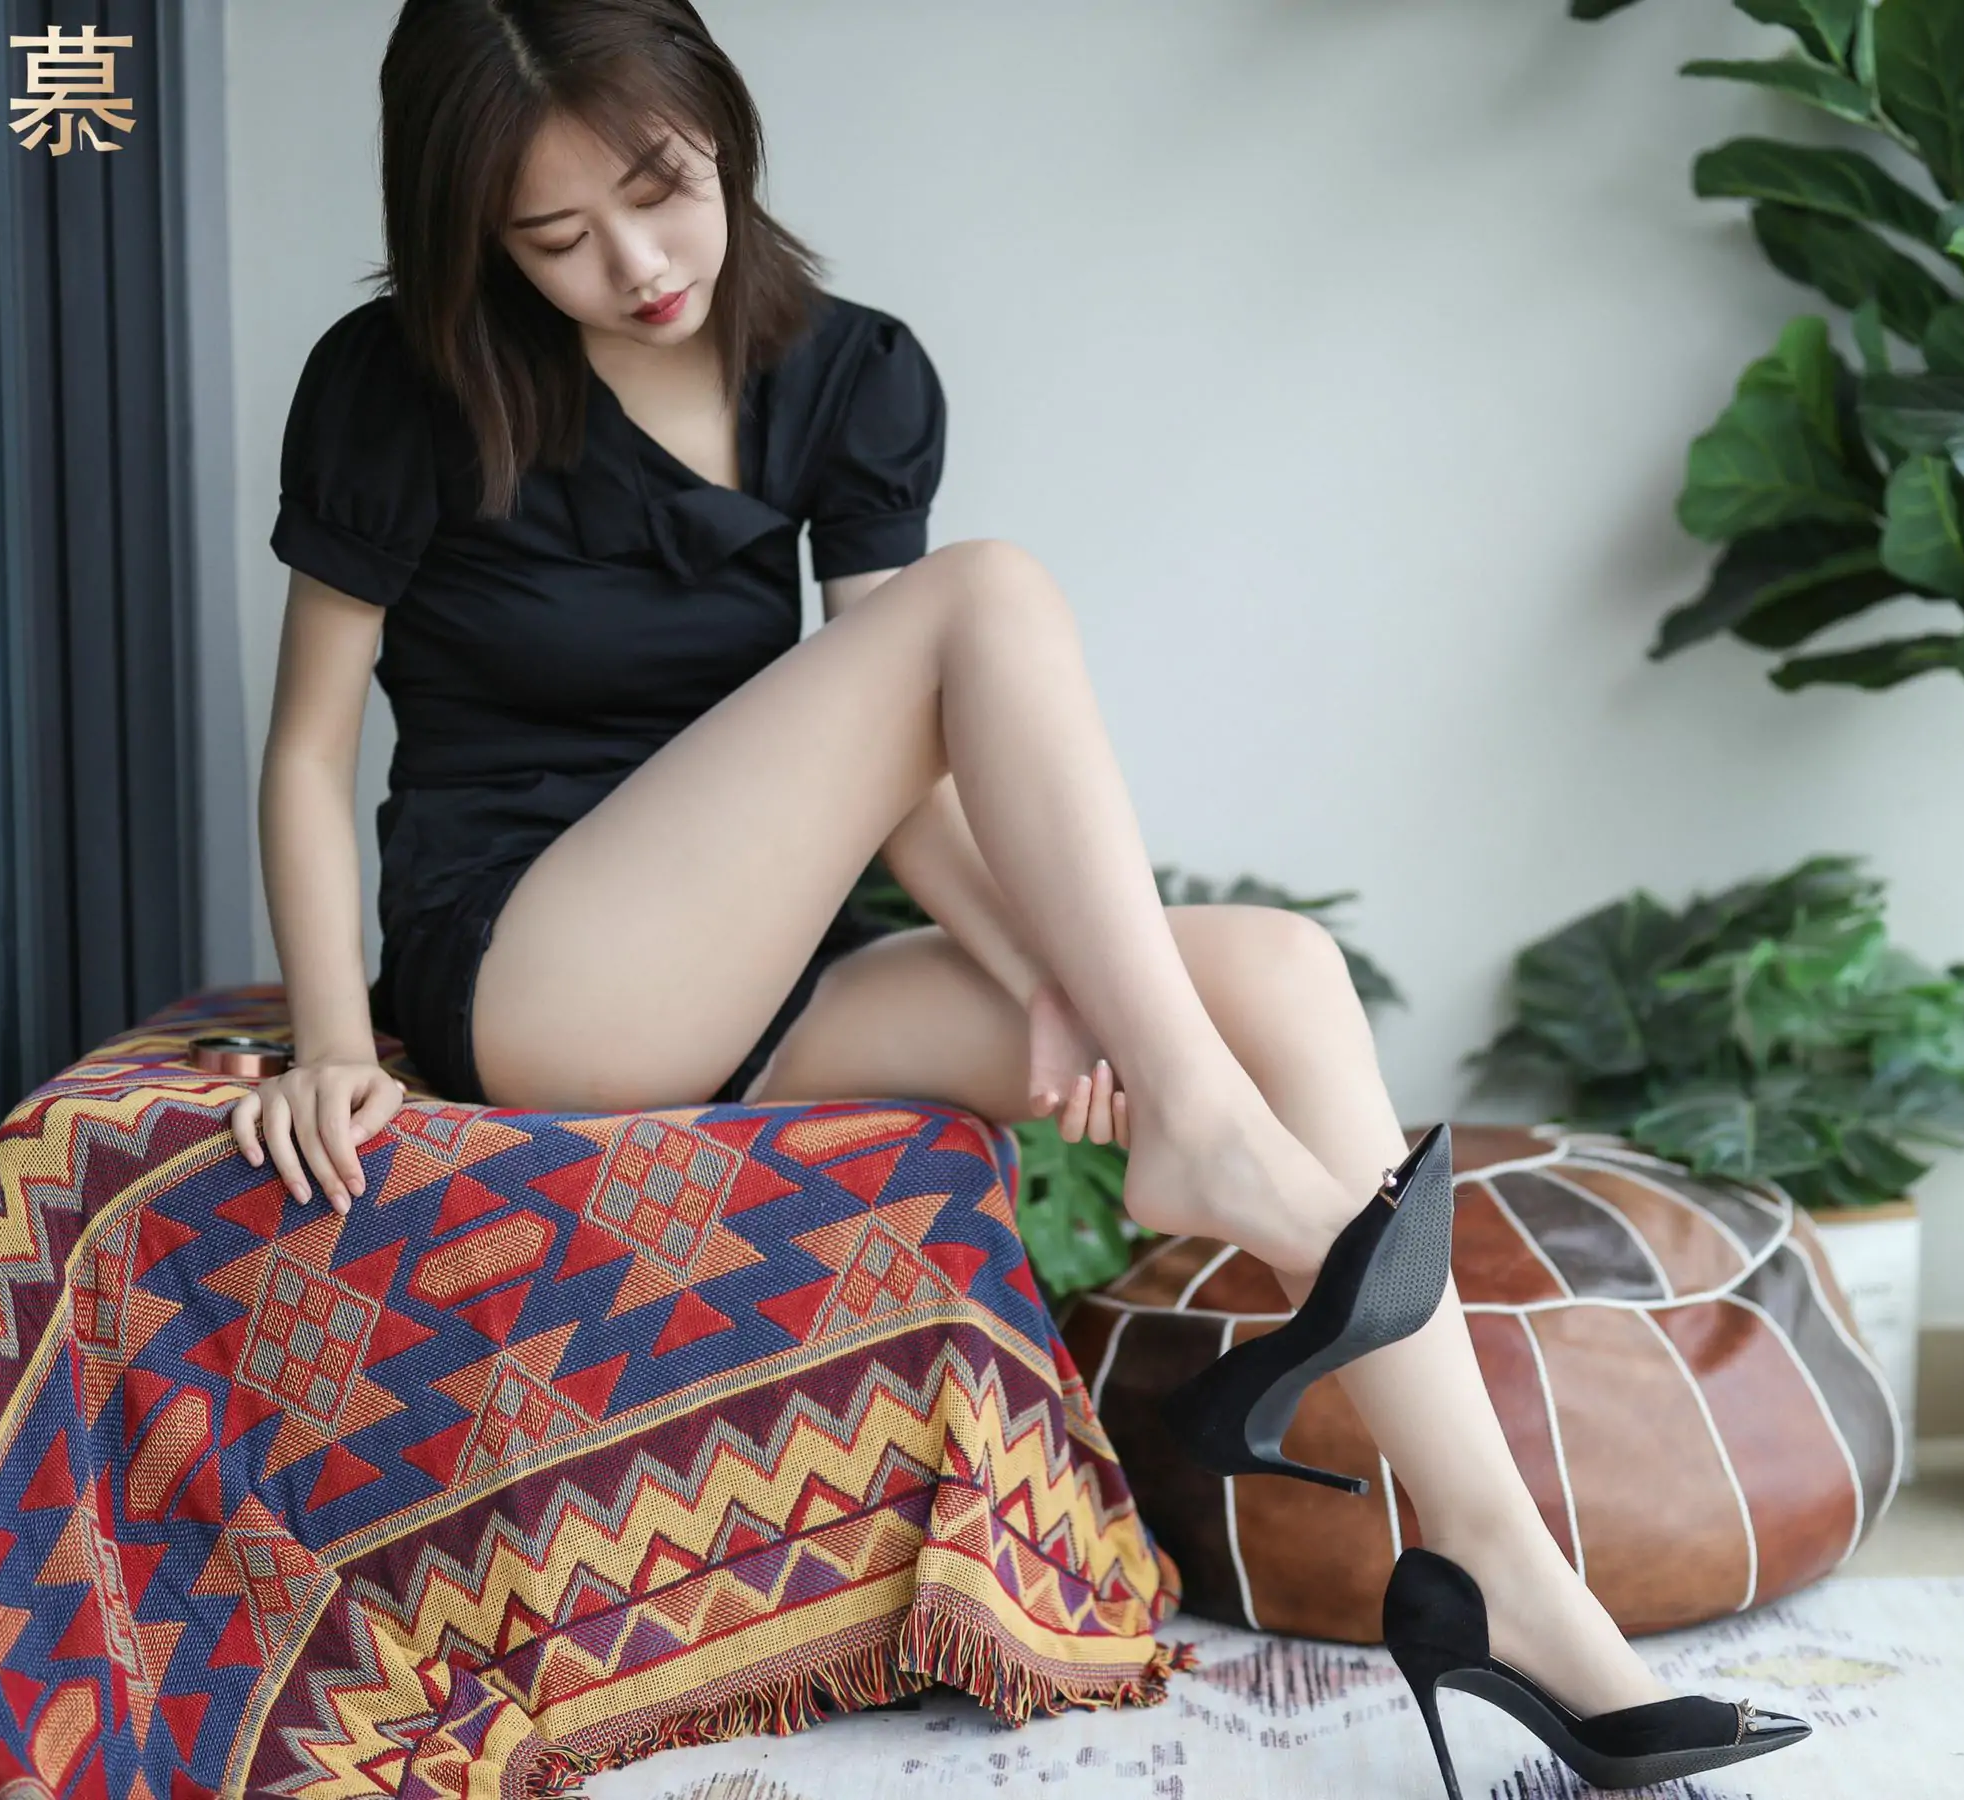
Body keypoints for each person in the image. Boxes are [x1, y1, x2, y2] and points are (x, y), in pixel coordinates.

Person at [230, 0, 1806, 1790]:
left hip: (764, 974)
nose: (638, 265)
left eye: (660, 191)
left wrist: (1054, 981)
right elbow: (307, 748)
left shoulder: (844, 373)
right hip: (540, 974)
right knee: (983, 597)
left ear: (721, 130)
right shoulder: (401, 382)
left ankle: (1509, 1586)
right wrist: (335, 1041)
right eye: (556, 237)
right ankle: (1202, 1136)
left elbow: (897, 768)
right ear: (478, 239)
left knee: (1281, 970)